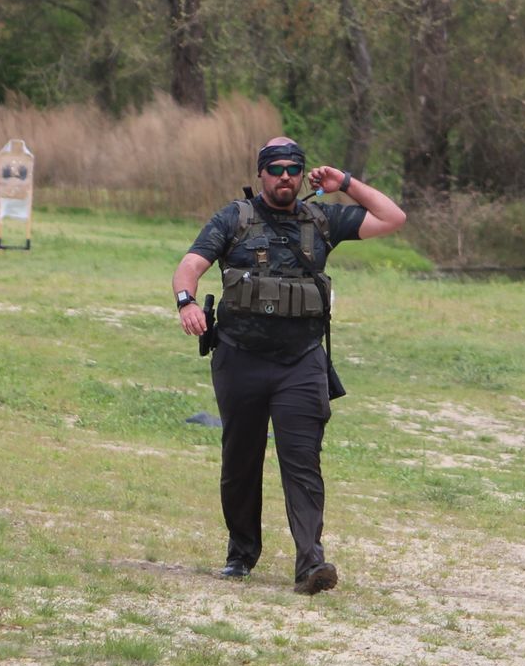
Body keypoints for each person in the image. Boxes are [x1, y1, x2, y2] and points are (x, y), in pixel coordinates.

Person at [173, 138, 406, 594]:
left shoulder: (321, 220)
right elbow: (190, 265)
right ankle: (241, 555)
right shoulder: (233, 219)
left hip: (300, 362)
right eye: (276, 169)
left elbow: (392, 218)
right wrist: (185, 302)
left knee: (302, 462)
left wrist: (345, 183)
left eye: (293, 169)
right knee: (240, 461)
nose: (285, 176)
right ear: (261, 174)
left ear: (302, 176)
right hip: (240, 358)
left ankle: (310, 565)